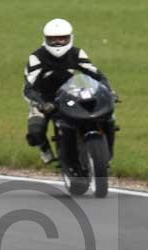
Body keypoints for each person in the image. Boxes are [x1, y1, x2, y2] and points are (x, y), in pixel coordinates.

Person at [23, 18, 116, 164]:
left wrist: (109, 91)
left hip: (69, 94)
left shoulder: (76, 53)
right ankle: (44, 148)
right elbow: (28, 88)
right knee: (35, 131)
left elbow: (97, 74)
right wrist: (41, 104)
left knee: (107, 117)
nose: (58, 43)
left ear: (70, 38)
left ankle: (105, 152)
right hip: (43, 98)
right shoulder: (36, 57)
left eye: (62, 39)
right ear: (46, 39)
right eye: (53, 39)